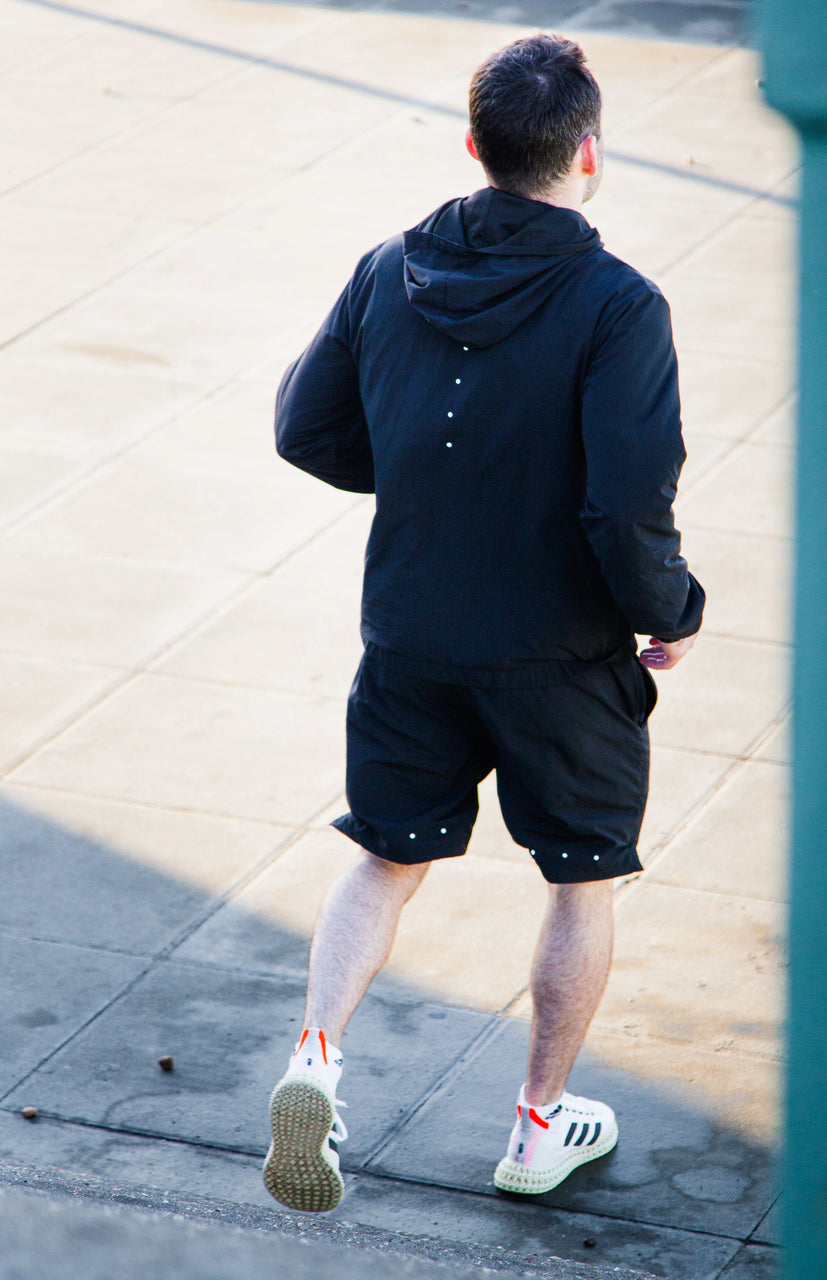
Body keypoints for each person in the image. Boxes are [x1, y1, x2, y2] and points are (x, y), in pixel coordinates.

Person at [261, 32, 705, 1214]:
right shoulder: (619, 306)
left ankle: (314, 1060)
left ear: (473, 145)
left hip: (409, 628)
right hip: (556, 653)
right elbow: (626, 503)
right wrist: (667, 610)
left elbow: (306, 429)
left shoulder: (386, 267)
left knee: (384, 852)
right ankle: (536, 1123)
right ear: (587, 153)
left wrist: (429, 483)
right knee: (581, 878)